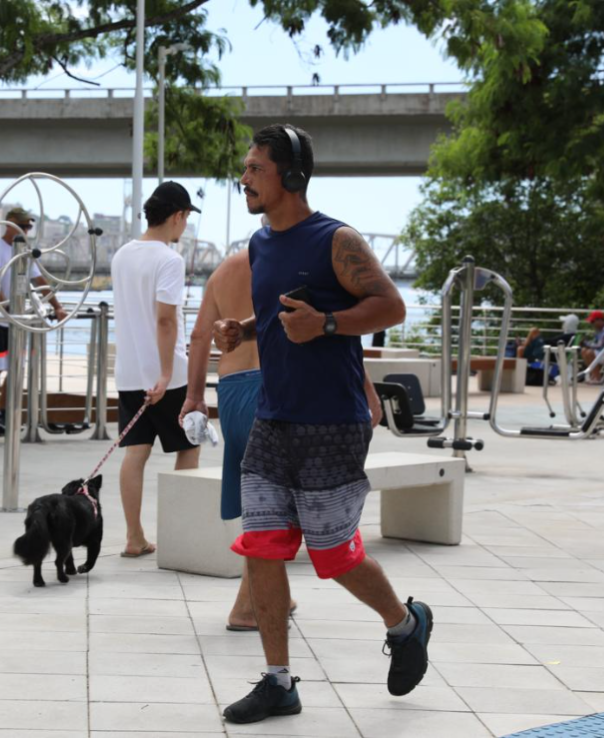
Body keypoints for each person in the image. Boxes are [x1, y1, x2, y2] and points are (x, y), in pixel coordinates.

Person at [212, 124, 431, 725]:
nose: (245, 178)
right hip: (272, 416)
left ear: (290, 175)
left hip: (332, 420)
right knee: (262, 545)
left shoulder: (337, 239)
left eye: (255, 168)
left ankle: (407, 623)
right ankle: (279, 681)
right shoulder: (259, 245)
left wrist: (329, 325)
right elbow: (280, 312)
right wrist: (246, 331)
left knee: (334, 555)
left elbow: (391, 306)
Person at [182, 253, 383, 631]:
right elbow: (335, 338)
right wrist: (366, 389)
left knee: (262, 502)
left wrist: (194, 397)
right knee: (280, 505)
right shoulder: (291, 263)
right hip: (273, 388)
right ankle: (248, 606)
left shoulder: (224, 269)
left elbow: (198, 335)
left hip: (229, 392)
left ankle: (273, 596)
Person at [111, 181, 202, 558]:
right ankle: (179, 534)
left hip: (130, 373)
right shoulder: (168, 259)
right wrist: (166, 375)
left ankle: (135, 537)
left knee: (136, 453)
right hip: (170, 378)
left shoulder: (121, 255)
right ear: (178, 216)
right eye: (186, 219)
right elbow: (166, 320)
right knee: (189, 446)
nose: (186, 227)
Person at [0, 206, 68, 434]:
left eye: (28, 227)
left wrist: (57, 306)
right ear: (10, 223)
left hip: (14, 317)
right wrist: (6, 305)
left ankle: (1, 411)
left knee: (15, 367)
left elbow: (39, 279)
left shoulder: (23, 250)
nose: (26, 230)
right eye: (23, 226)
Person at [517, 314, 579, 386]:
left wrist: (538, 339)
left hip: (546, 353)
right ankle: (524, 343)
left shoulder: (567, 336)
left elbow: (550, 341)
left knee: (531, 335)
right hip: (549, 352)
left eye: (564, 323)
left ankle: (524, 344)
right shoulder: (571, 336)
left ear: (568, 324)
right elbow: (553, 341)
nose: (563, 325)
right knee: (525, 344)